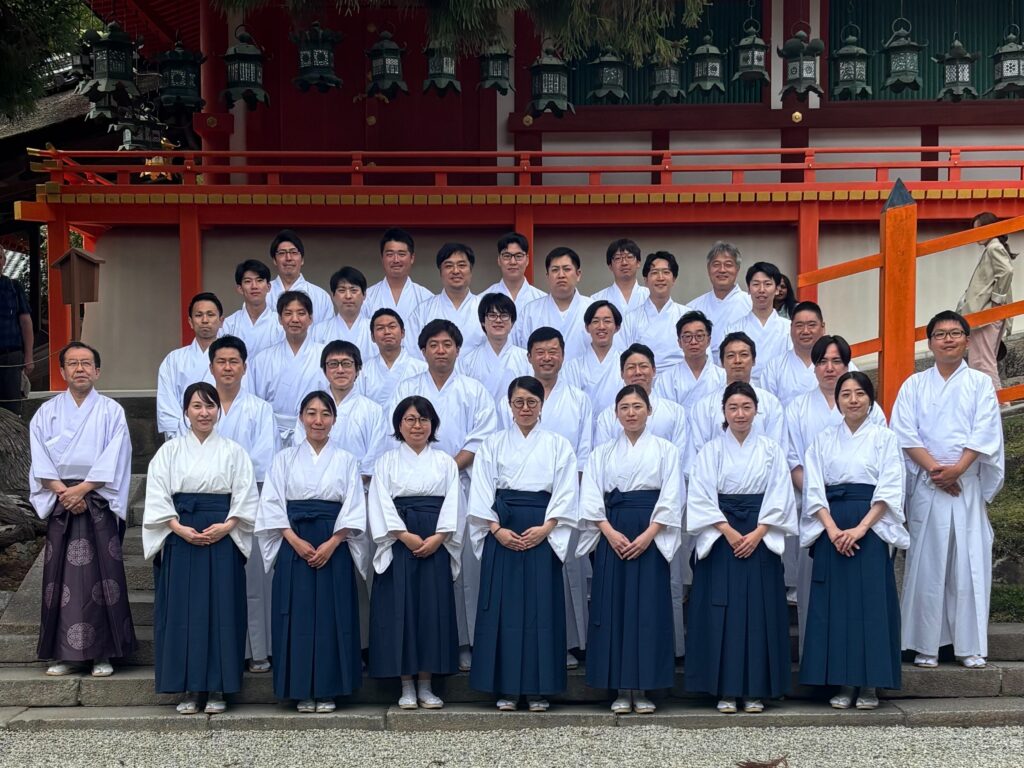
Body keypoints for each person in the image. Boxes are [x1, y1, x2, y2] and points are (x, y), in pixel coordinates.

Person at [892, 310, 1005, 669]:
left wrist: (958, 469)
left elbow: (985, 431)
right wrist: (936, 471)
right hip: (929, 485)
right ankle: (925, 645)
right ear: (929, 343)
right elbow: (904, 433)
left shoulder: (980, 384)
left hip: (965, 485)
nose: (948, 339)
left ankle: (969, 646)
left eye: (955, 333)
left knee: (969, 565)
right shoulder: (914, 385)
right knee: (927, 566)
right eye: (940, 334)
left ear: (967, 341)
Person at [389, 319, 498, 671]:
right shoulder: (407, 387)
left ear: (458, 349)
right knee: (422, 571)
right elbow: (396, 430)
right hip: (415, 492)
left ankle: (465, 641)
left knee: (463, 565)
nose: (440, 350)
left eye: (447, 344)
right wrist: (432, 470)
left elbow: (482, 437)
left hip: (460, 483)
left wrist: (446, 469)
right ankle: (423, 648)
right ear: (422, 350)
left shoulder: (473, 390)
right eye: (433, 344)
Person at [143, 382, 258, 715]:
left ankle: (220, 686)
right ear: (185, 412)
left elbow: (245, 495)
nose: (204, 413)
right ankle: (191, 688)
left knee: (223, 610)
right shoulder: (169, 452)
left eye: (210, 406)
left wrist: (229, 525)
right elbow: (157, 495)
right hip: (181, 536)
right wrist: (177, 527)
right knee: (184, 612)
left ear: (218, 411)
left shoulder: (234, 452)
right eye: (197, 406)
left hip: (222, 536)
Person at [685, 381, 797, 714]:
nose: (740, 414)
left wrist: (759, 532)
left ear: (756, 411)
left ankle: (755, 690)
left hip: (759, 536)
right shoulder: (710, 451)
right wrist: (728, 531)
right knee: (721, 612)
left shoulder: (770, 450)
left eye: (746, 407)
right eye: (733, 407)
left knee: (759, 613)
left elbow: (780, 495)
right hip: (722, 538)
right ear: (724, 411)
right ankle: (724, 688)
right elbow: (700, 495)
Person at [799, 372, 908, 710]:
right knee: (836, 607)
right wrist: (832, 529)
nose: (853, 400)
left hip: (869, 527)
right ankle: (843, 682)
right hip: (833, 525)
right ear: (837, 401)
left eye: (859, 393)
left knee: (871, 605)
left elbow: (890, 487)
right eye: (845, 394)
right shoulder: (823, 440)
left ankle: (870, 683)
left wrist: (861, 529)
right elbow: (814, 489)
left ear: (870, 399)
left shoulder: (884, 438)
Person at [469, 376, 578, 711]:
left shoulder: (558, 445)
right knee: (503, 609)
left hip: (541, 531)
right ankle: (505, 688)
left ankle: (537, 689)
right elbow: (481, 489)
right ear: (509, 405)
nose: (525, 408)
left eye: (532, 402)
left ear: (542, 405)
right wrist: (495, 529)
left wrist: (547, 528)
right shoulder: (492, 444)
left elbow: (566, 491)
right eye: (519, 402)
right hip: (502, 529)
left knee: (541, 609)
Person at [256, 391, 369, 713]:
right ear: (301, 417)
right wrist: (293, 539)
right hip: (295, 543)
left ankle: (329, 688)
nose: (318, 420)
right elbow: (272, 504)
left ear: (334, 419)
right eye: (311, 413)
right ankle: (301, 689)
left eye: (325, 414)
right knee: (297, 615)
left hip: (334, 544)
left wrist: (334, 542)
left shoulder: (346, 460)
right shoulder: (284, 459)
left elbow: (353, 506)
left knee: (334, 615)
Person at [30, 342, 134, 677]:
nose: (80, 369)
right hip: (62, 500)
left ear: (97, 371)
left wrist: (83, 489)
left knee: (103, 579)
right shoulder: (46, 412)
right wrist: (63, 491)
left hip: (97, 500)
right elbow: (39, 460)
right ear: (62, 371)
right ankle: (63, 654)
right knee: (59, 581)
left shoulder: (111, 411)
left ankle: (103, 653)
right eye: (73, 363)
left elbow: (116, 457)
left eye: (86, 363)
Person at [578, 385, 683, 715]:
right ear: (616, 414)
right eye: (624, 407)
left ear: (649, 411)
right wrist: (609, 532)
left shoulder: (666, 451)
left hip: (650, 533)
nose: (631, 413)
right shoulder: (602, 454)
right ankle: (621, 688)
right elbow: (591, 497)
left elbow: (672, 497)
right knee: (614, 608)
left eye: (638, 406)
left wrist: (650, 534)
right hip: (614, 533)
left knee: (648, 610)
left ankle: (645, 686)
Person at [177, 335, 277, 674]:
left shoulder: (260, 409)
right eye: (221, 361)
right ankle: (220, 651)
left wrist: (231, 477)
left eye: (234, 361)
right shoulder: (200, 409)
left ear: (245, 367)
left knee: (254, 579)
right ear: (211, 367)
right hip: (208, 505)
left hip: (249, 502)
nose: (228, 368)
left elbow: (264, 459)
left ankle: (258, 649)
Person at [498, 327, 592, 669]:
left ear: (563, 355)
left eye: (553, 351)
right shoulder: (511, 404)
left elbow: (582, 455)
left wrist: (554, 519)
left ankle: (566, 644)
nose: (547, 357)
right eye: (540, 351)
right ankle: (512, 656)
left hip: (557, 508)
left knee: (559, 582)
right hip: (510, 516)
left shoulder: (578, 400)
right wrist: (497, 526)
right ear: (529, 356)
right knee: (512, 590)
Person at [784, 335, 887, 648]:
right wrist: (822, 504)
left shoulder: (873, 411)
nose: (829, 368)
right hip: (815, 508)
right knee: (813, 587)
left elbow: (885, 469)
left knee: (861, 591)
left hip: (862, 511)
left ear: (847, 364)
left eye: (836, 361)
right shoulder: (797, 407)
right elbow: (793, 461)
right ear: (814, 367)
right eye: (822, 362)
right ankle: (815, 656)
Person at [367, 396, 462, 710]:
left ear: (432, 424)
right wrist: (402, 535)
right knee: (400, 610)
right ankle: (406, 684)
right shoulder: (386, 462)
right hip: (399, 540)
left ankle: (426, 684)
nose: (417, 425)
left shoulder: (445, 462)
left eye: (423, 419)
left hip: (435, 539)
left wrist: (440, 537)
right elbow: (380, 502)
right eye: (410, 419)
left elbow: (454, 503)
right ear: (399, 424)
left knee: (430, 612)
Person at [248, 291, 328, 447]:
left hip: (314, 430)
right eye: (288, 313)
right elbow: (254, 404)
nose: (295, 319)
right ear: (279, 319)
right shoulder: (262, 359)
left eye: (301, 313)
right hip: (271, 433)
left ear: (311, 318)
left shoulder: (325, 356)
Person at [688, 332, 786, 457]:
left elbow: (776, 450)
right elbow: (700, 454)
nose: (737, 361)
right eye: (731, 356)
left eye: (744, 355)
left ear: (754, 360)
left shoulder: (771, 403)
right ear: (722, 362)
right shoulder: (704, 406)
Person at [958, 211, 1016, 391]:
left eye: (979, 230)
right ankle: (996, 399)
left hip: (987, 311)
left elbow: (1006, 271)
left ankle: (997, 400)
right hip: (988, 311)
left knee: (982, 360)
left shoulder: (993, 247)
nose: (976, 235)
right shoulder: (993, 247)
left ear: (990, 229)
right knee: (983, 358)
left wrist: (997, 300)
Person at [156, 292, 223, 439]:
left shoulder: (231, 360)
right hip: (183, 438)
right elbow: (167, 407)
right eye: (199, 315)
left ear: (221, 321)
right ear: (190, 321)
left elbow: (236, 401)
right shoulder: (173, 360)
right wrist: (187, 435)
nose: (205, 320)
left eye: (210, 314)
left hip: (223, 436)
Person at [514, 247, 592, 361]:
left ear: (578, 274)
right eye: (555, 270)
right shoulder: (530, 311)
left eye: (567, 269)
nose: (561, 275)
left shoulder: (593, 309)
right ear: (547, 276)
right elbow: (521, 353)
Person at [408, 243, 485, 357]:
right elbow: (412, 351)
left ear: (471, 270)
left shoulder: (485, 309)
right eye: (449, 266)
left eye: (461, 265)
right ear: (440, 272)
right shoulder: (423, 311)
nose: (456, 271)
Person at [621, 251, 692, 372]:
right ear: (646, 279)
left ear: (674, 279)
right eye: (654, 273)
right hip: (641, 378)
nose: (660, 278)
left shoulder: (687, 316)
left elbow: (702, 356)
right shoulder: (630, 319)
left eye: (666, 272)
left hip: (681, 379)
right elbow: (622, 358)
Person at [457, 293, 531, 407]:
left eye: (504, 315)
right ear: (482, 321)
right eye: (492, 315)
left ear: (512, 322)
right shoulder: (467, 362)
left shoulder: (526, 359)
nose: (498, 320)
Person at [725, 262, 792, 386]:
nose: (761, 290)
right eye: (756, 284)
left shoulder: (789, 328)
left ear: (777, 289)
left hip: (780, 388)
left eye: (767, 284)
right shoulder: (733, 329)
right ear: (749, 289)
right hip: (743, 389)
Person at [563, 300, 626, 418]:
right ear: (587, 327)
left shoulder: (626, 364)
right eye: (595, 321)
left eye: (607, 321)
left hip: (617, 424)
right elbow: (570, 405)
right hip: (583, 424)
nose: (601, 327)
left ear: (617, 327)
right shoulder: (573, 367)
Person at [687, 242, 753, 355]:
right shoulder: (693, 308)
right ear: (708, 269)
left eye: (728, 264)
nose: (722, 270)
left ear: (737, 269)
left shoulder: (752, 304)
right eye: (716, 264)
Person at [759, 301, 828, 406]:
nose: (805, 331)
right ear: (791, 328)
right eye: (799, 325)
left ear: (823, 327)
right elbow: (766, 407)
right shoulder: (775, 367)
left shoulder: (838, 363)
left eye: (811, 325)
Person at [653, 311, 726, 410]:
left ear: (708, 341)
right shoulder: (666, 379)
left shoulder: (722, 377)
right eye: (687, 337)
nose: (693, 342)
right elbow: (663, 412)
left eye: (699, 336)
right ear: (679, 342)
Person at [356, 308, 428, 409]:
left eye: (392, 327)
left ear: (403, 333)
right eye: (380, 328)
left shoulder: (422, 368)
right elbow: (359, 406)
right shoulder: (363, 371)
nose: (387, 332)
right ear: (372, 337)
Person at [362, 228, 434, 320]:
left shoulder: (426, 297)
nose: (396, 260)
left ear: (412, 258)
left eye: (401, 254)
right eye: (390, 254)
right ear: (382, 258)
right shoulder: (368, 297)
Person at [266, 229, 333, 324]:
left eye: (293, 252)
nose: (288, 258)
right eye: (282, 253)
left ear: (302, 260)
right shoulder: (263, 294)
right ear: (274, 260)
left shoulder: (321, 296)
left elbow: (328, 331)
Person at [311, 266, 375, 363]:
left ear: (364, 295)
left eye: (354, 290)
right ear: (333, 295)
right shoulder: (319, 330)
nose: (348, 296)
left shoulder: (375, 329)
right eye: (342, 290)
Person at [222, 259, 283, 357]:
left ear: (268, 287)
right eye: (248, 281)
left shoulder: (280, 323)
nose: (254, 286)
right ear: (240, 289)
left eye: (259, 280)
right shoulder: (229, 324)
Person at [0, 248, 33, 415]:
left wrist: (29, 357)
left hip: (10, 356)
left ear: (4, 261)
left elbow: (25, 322)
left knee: (12, 409)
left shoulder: (14, 286)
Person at [483, 232, 546, 313]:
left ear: (527, 260)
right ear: (499, 260)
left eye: (518, 256)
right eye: (507, 256)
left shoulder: (542, 300)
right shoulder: (483, 299)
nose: (513, 262)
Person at [590, 239, 649, 315]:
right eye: (618, 258)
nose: (624, 263)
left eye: (629, 257)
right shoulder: (597, 299)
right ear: (610, 266)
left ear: (638, 263)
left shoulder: (650, 296)